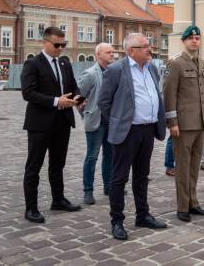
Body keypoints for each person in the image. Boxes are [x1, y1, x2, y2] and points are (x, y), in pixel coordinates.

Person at [98, 33, 167, 241]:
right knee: (119, 178)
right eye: (145, 46)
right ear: (131, 51)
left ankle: (142, 215)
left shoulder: (152, 68)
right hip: (127, 132)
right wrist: (120, 121)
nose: (149, 49)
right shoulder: (116, 70)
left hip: (148, 130)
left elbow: (155, 94)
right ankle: (117, 220)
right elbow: (104, 101)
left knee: (142, 176)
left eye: (149, 45)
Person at [21, 26, 83, 223]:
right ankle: (31, 208)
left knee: (58, 164)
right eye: (56, 45)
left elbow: (73, 87)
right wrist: (57, 101)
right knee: (34, 166)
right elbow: (28, 93)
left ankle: (58, 200)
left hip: (62, 122)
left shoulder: (64, 63)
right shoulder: (33, 64)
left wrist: (80, 98)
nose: (60, 48)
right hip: (40, 124)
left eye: (63, 45)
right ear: (45, 42)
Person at [163, 25, 204, 222]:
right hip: (183, 125)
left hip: (200, 124)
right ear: (183, 41)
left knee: (194, 166)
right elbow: (169, 95)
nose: (194, 41)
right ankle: (182, 206)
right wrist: (172, 122)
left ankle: (194, 202)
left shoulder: (203, 64)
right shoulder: (175, 64)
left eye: (197, 38)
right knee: (183, 168)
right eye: (190, 38)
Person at [77, 42, 115, 205]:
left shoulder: (114, 72)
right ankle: (88, 190)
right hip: (96, 122)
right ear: (98, 54)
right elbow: (78, 96)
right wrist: (85, 114)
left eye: (112, 52)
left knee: (110, 156)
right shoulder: (90, 73)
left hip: (111, 122)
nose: (112, 55)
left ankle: (108, 186)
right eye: (108, 52)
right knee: (92, 157)